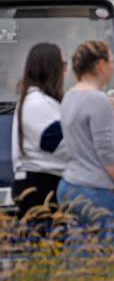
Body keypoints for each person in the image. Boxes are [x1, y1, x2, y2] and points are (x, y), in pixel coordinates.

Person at [57, 40, 114, 227]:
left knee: (82, 251)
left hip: (71, 185)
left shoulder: (70, 96)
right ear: (101, 64)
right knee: (111, 251)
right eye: (111, 60)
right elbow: (106, 150)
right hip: (98, 190)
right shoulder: (97, 100)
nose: (113, 65)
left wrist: (107, 102)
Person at [11, 43, 67, 222]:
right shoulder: (36, 103)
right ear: (51, 68)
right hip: (40, 187)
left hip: (40, 185)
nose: (65, 71)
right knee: (45, 246)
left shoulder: (38, 100)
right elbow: (57, 143)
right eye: (63, 65)